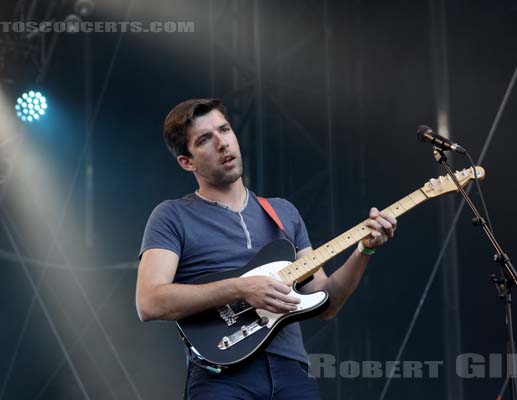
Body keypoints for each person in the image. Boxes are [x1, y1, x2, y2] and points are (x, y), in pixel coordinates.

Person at [136, 98, 397, 399]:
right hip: (221, 377)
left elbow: (327, 302)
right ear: (187, 161)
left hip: (292, 371)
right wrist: (240, 288)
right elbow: (149, 301)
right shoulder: (172, 215)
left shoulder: (283, 212)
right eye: (206, 139)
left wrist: (363, 251)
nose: (222, 143)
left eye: (225, 129)